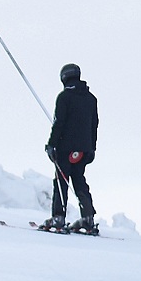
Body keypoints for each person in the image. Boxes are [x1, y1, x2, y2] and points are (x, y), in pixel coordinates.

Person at [43, 63, 100, 233]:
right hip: (84, 149)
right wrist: (92, 148)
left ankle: (58, 217)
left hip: (64, 148)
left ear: (64, 77)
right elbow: (94, 125)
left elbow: (59, 123)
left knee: (61, 180)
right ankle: (88, 218)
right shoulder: (91, 99)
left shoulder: (64, 97)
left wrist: (51, 144)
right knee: (79, 180)